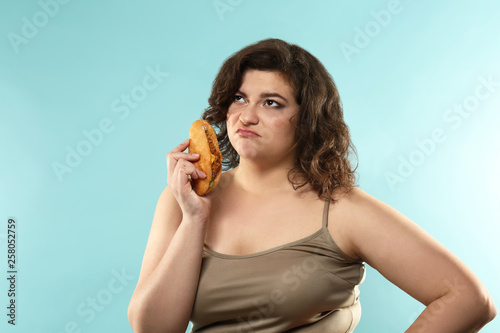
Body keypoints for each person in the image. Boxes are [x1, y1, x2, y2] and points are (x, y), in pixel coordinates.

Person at [127, 38, 496, 332]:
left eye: (272, 103)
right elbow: (154, 328)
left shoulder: (342, 210)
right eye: (239, 98)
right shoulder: (183, 199)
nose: (247, 115)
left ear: (308, 120)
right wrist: (194, 220)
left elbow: (466, 299)